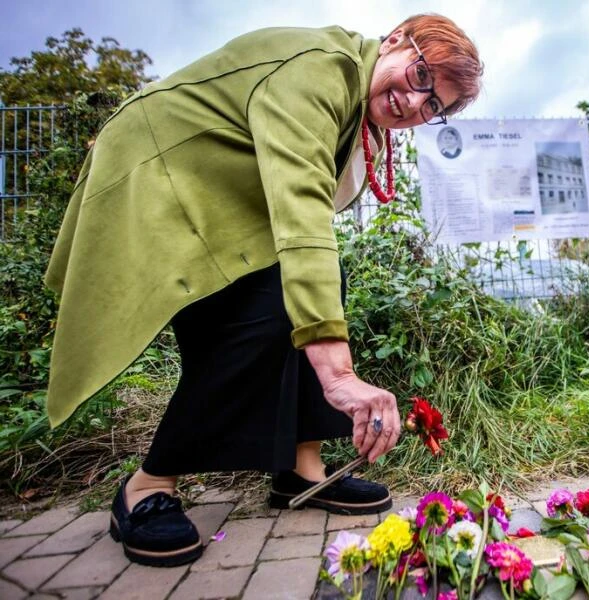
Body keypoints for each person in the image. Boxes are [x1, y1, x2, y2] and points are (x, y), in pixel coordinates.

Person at [44, 14, 482, 567]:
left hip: (221, 201)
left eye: (433, 107)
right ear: (396, 40)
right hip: (160, 177)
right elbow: (302, 213)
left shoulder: (355, 99)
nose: (415, 105)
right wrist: (341, 376)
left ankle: (302, 469)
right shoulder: (320, 70)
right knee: (273, 308)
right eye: (422, 78)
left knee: (311, 291)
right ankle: (147, 485)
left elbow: (310, 227)